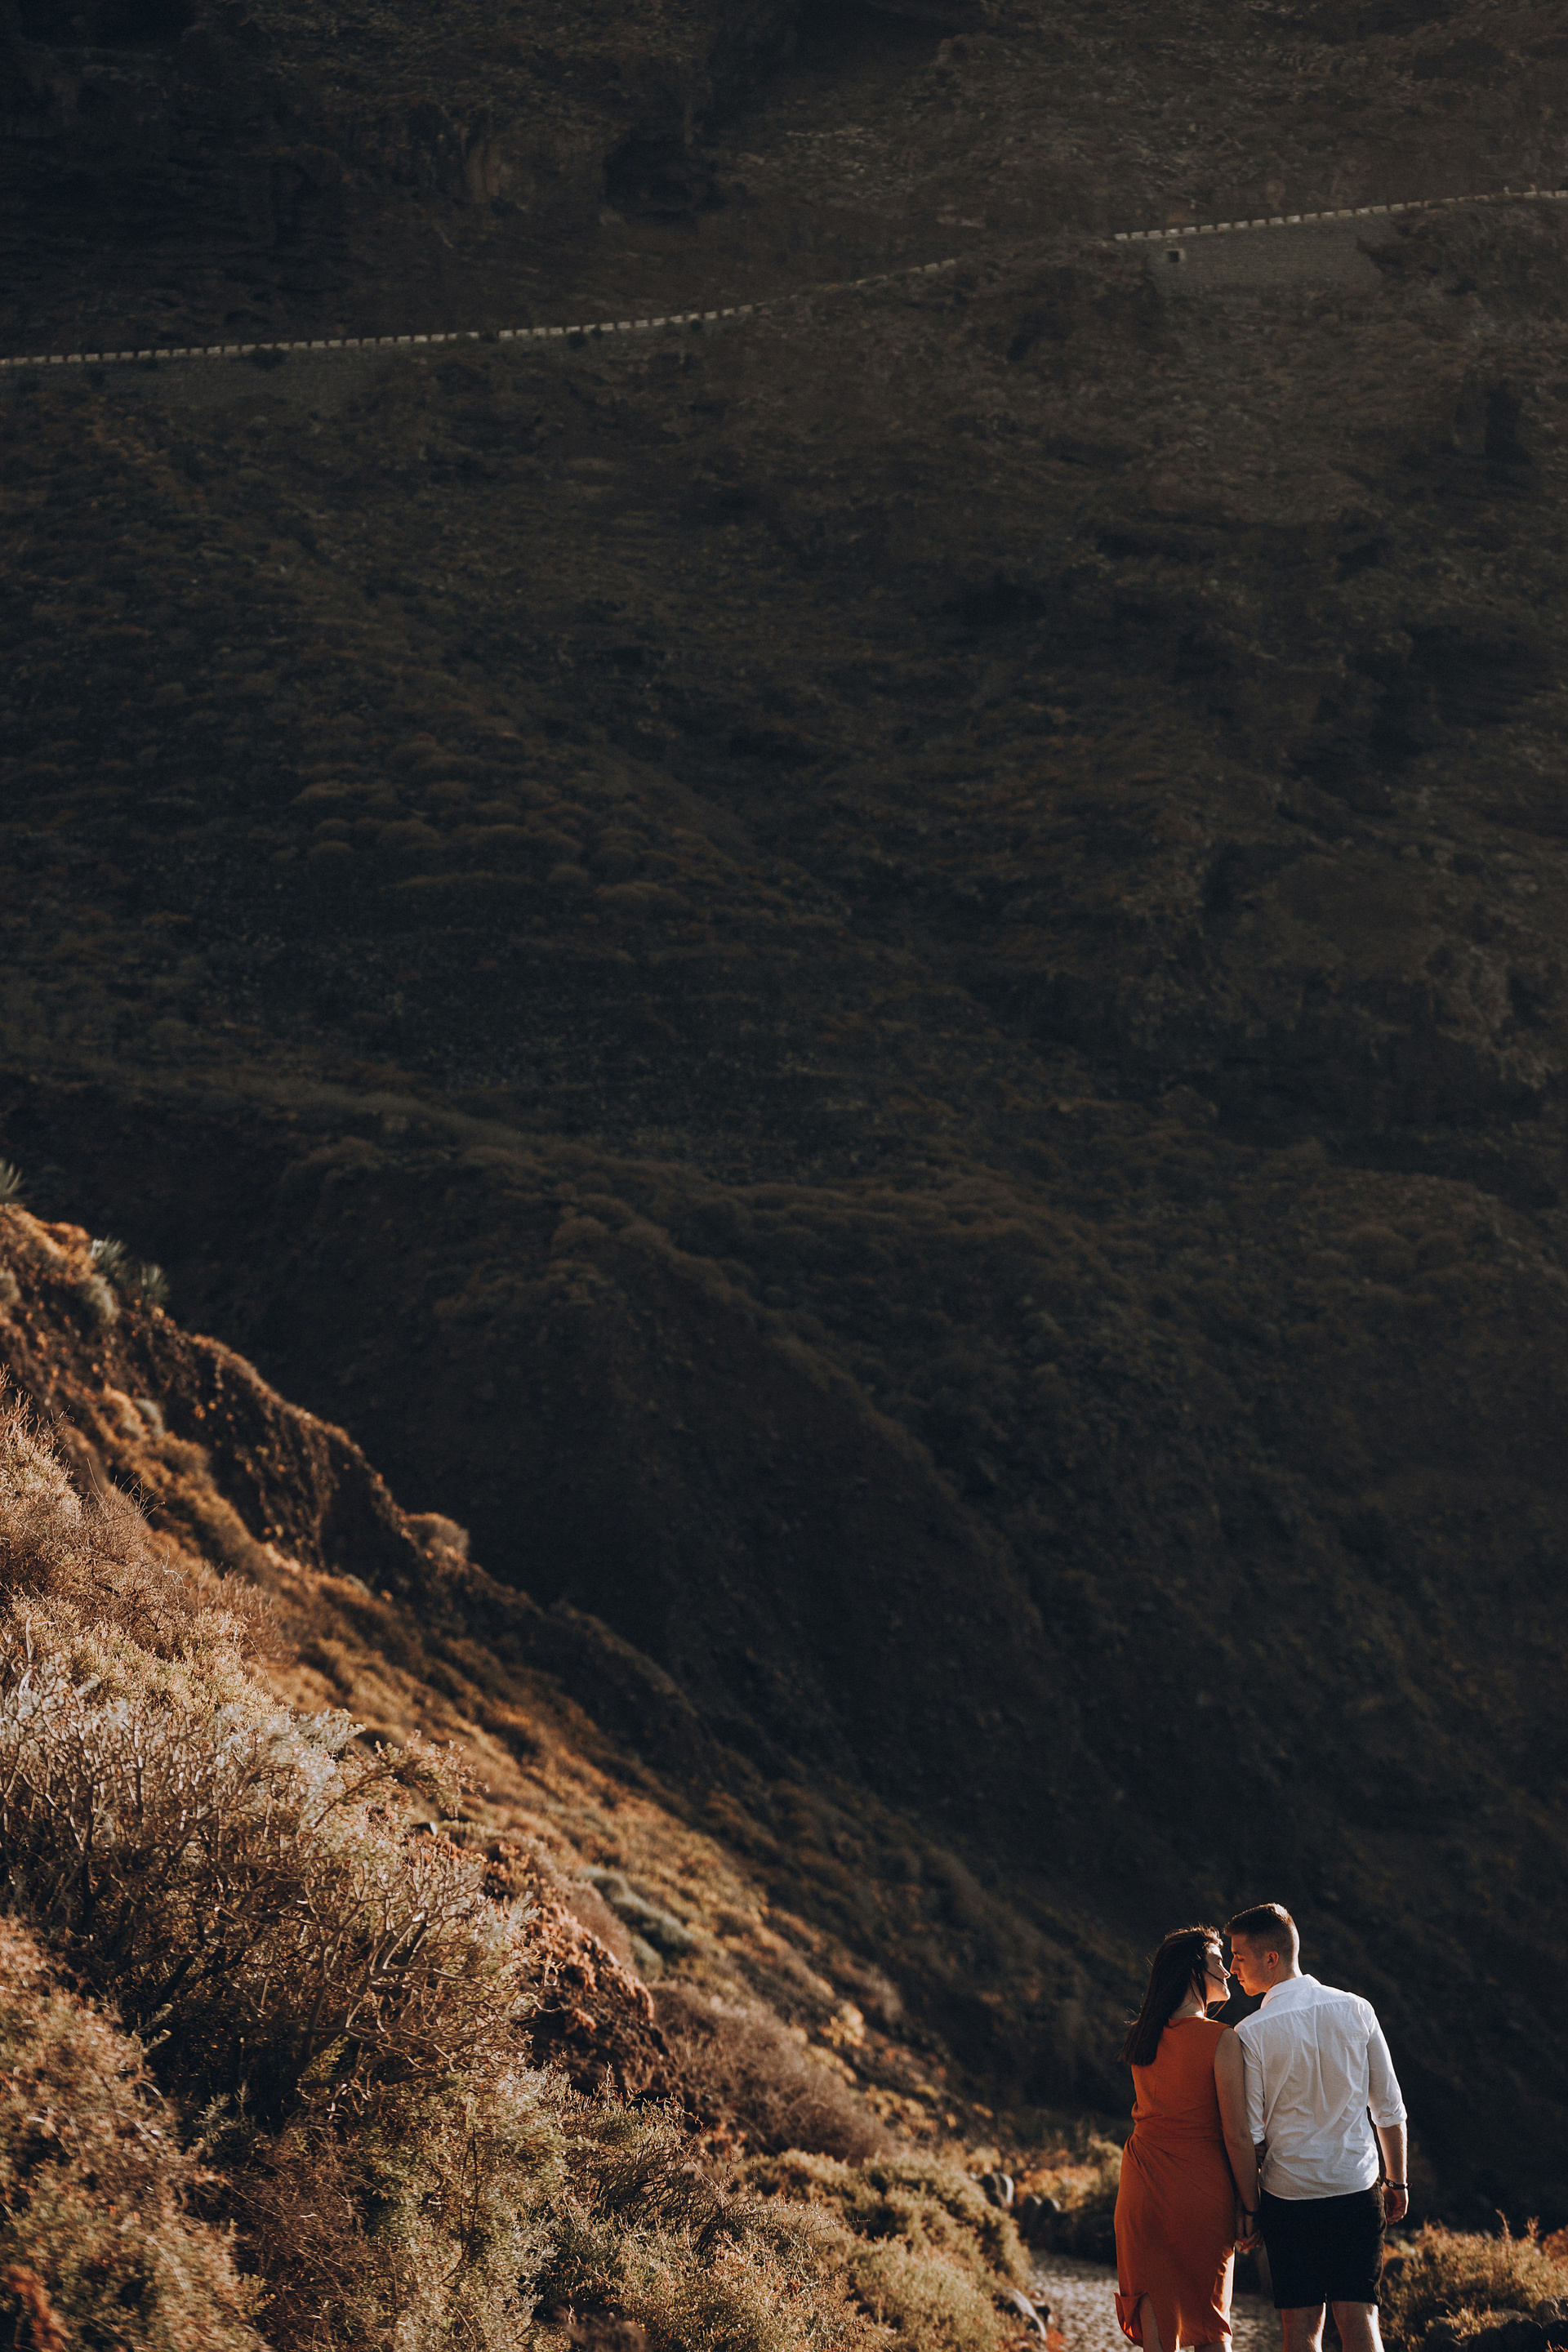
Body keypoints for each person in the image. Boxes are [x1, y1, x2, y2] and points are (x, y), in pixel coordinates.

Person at [1227, 1903, 1409, 2352]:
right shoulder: (1358, 2009)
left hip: (1288, 2198)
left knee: (1301, 2329)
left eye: (1240, 1957)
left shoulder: (1250, 2033)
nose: (1232, 1969)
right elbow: (1389, 2108)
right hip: (1355, 2187)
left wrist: (1250, 2208)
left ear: (1271, 1958)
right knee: (1361, 2320)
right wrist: (1397, 2182)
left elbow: (1251, 2135)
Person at [1114, 1926, 1262, 2352]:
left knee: (1157, 2334)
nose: (1228, 1971)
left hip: (1141, 2188)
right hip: (1200, 2194)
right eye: (1218, 1962)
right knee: (1210, 2327)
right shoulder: (1221, 2039)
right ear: (1193, 1971)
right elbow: (1236, 2135)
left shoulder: (1142, 2035)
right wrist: (1251, 2205)